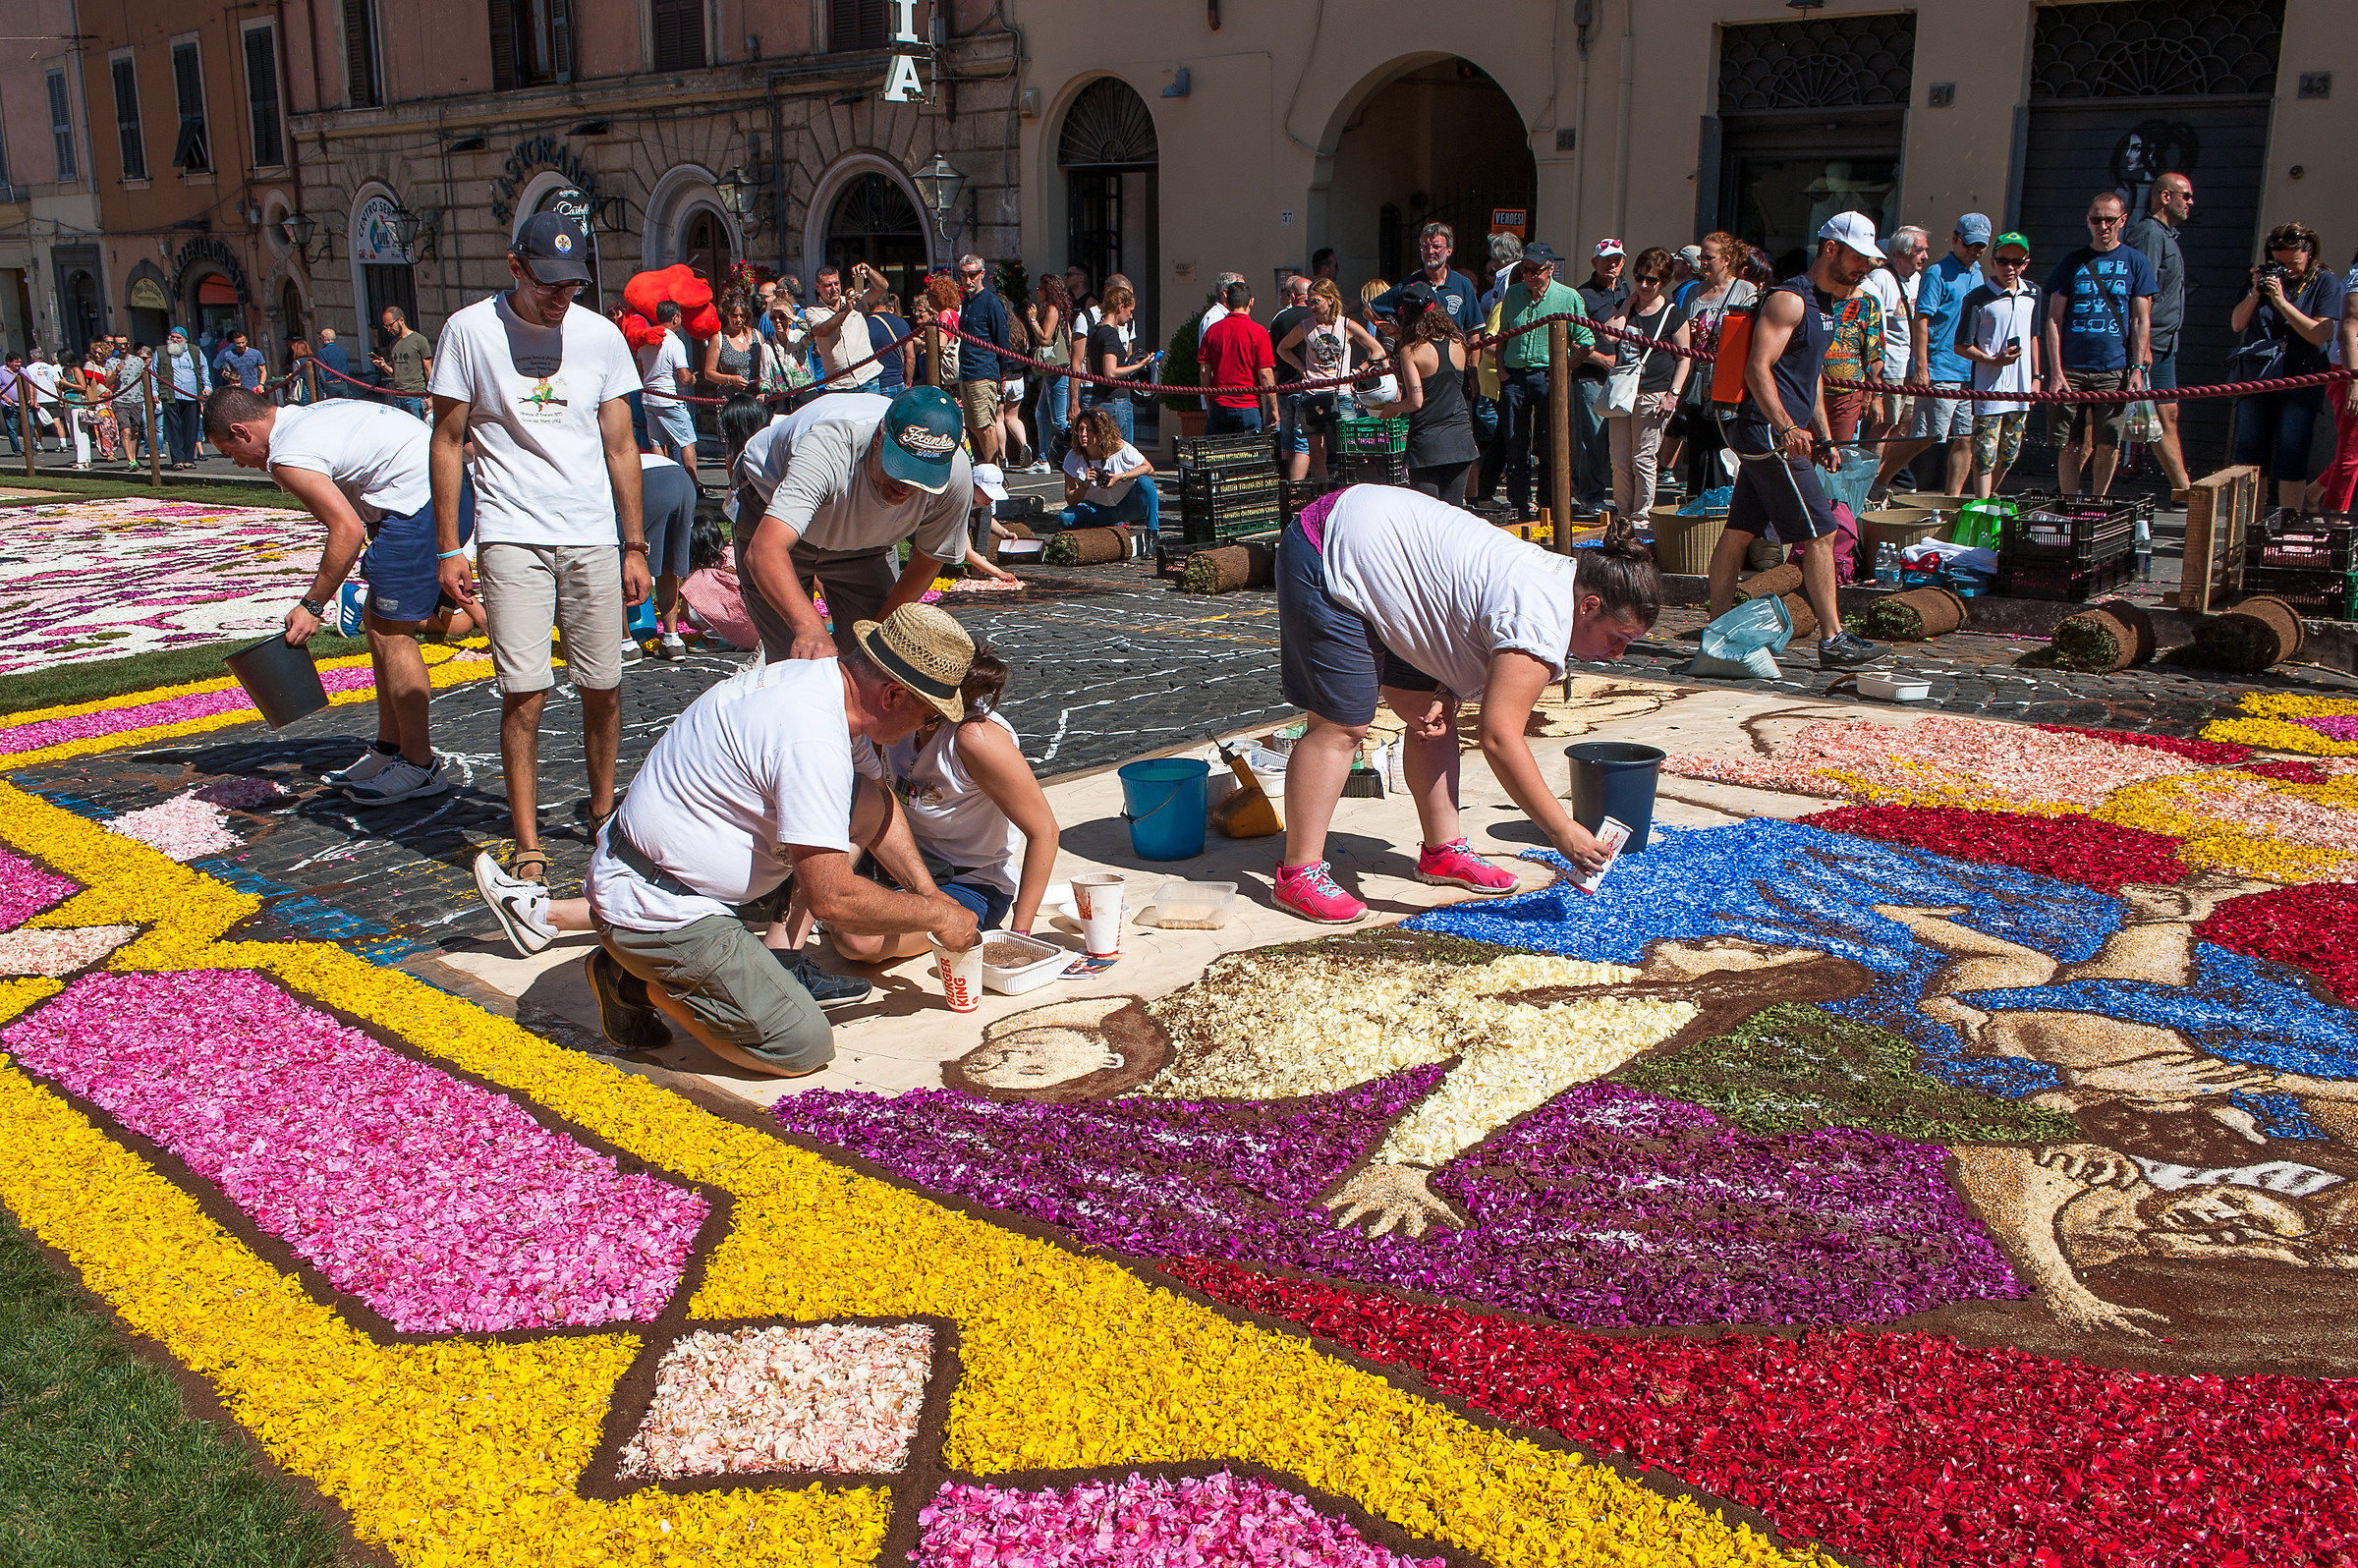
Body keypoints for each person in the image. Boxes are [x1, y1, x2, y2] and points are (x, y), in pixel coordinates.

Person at [482, 605, 986, 1069]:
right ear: (893, 694)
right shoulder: (811, 737)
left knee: (866, 798)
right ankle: (639, 980)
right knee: (800, 1044)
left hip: (655, 874)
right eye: (926, 715)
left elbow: (876, 802)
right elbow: (833, 899)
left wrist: (929, 892)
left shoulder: (823, 687)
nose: (924, 729)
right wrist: (940, 914)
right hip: (661, 908)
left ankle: (656, 966)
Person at [1270, 484, 1661, 924]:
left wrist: (1448, 689)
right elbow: (1498, 736)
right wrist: (1562, 830)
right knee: (1343, 725)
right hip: (1330, 547)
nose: (1618, 655)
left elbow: (1465, 617)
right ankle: (1297, 874)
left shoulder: (1562, 590)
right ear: (1589, 606)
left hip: (1391, 560)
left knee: (1432, 717)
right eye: (1618, 639)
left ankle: (1441, 851)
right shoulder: (1541, 617)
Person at [428, 212, 652, 886]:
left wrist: (634, 543)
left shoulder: (601, 335)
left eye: (573, 285)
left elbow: (621, 446)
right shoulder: (469, 331)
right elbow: (446, 440)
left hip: (590, 531)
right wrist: (449, 545)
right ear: (515, 267)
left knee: (604, 684)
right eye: (549, 284)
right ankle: (527, 839)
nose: (561, 298)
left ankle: (604, 809)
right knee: (524, 692)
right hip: (510, 531)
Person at [205, 386, 477, 804]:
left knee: (391, 632)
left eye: (231, 453)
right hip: (432, 493)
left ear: (242, 431)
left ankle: (420, 766)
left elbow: (346, 530)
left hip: (423, 502)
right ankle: (389, 748)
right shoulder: (304, 417)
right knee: (377, 619)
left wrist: (313, 604)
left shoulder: (285, 455)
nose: (239, 463)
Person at [1705, 212, 1887, 671]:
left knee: (1739, 531)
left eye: (1868, 261)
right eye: (1857, 258)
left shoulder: (1828, 306)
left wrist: (1824, 436)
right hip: (1769, 434)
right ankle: (1833, 640)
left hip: (1780, 434)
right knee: (1822, 532)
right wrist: (1787, 427)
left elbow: (1813, 380)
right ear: (1830, 248)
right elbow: (1756, 368)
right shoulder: (1789, 300)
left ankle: (1715, 628)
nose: (1862, 268)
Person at [819, 648, 1061, 958]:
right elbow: (874, 800)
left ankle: (825, 913)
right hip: (901, 866)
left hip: (967, 882)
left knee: (860, 941)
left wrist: (1019, 936)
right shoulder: (891, 719)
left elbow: (1045, 831)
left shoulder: (975, 740)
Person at [732, 385, 973, 661]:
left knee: (871, 664)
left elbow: (927, 560)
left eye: (920, 478)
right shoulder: (829, 445)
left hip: (867, 543)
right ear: (879, 437)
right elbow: (765, 550)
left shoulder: (955, 476)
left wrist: (874, 641)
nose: (905, 487)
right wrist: (810, 628)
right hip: (770, 508)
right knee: (792, 660)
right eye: (899, 468)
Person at [2043, 191, 2157, 500]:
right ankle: (2068, 502)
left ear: (2122, 220)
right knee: (2070, 442)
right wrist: (2055, 371)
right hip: (2072, 369)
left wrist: (2135, 368)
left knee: (2108, 442)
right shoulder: (2072, 262)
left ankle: (2097, 502)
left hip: (2115, 367)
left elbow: (2140, 319)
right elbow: (2053, 319)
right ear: (2088, 222)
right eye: (2096, 219)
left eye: (2109, 219)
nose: (2102, 226)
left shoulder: (2136, 261)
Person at [2229, 221, 2345, 513]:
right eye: (2279, 262)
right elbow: (2237, 324)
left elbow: (2320, 333)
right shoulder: (2263, 279)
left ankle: (2288, 525)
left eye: (2293, 262)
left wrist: (2281, 302)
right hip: (2258, 378)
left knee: (2292, 456)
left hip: (2302, 378)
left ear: (2308, 253)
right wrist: (2256, 293)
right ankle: (2249, 529)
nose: (2286, 269)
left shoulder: (2324, 282)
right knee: (2250, 457)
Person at [1878, 214, 1989, 497]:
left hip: (1968, 370)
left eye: (1980, 247)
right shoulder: (1937, 273)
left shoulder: (1977, 273)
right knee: (1925, 437)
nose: (1974, 251)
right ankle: (1878, 483)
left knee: (1964, 438)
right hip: (1940, 367)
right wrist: (1922, 367)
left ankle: (1951, 501)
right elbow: (1921, 320)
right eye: (1970, 244)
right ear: (1955, 239)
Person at [1488, 241, 1598, 523]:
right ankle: (1519, 506)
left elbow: (1586, 342)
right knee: (1515, 443)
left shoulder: (1567, 297)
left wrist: (1564, 369)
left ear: (1550, 270)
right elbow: (1503, 334)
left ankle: (1548, 505)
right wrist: (1501, 370)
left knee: (1550, 445)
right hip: (1515, 376)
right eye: (1525, 270)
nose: (1529, 276)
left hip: (1548, 377)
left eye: (1536, 270)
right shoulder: (1512, 295)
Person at [1600, 248, 1693, 523]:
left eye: (1651, 280)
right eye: (1639, 278)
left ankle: (1641, 516)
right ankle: (1623, 512)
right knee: (1619, 459)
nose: (1643, 285)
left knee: (1643, 458)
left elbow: (1685, 358)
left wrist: (1673, 394)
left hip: (1654, 392)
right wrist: (1628, 304)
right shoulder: (1628, 308)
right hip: (1623, 392)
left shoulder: (1673, 314)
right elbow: (1609, 336)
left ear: (1662, 282)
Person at [1664, 232, 1758, 498]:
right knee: (1698, 450)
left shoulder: (1745, 291)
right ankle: (1697, 506)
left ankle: (1724, 507)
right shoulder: (1693, 292)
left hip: (1728, 383)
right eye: (1701, 257)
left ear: (1726, 260)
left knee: (1724, 450)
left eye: (1708, 257)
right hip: (1696, 383)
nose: (1702, 262)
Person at [1955, 232, 2045, 498]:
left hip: (2020, 388)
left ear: (2026, 264)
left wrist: (2037, 377)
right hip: (1989, 387)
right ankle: (1982, 505)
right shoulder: (1978, 297)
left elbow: (2033, 336)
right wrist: (1993, 360)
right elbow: (1961, 344)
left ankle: (1991, 498)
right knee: (1985, 450)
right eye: (2004, 261)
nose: (2010, 268)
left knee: (2010, 451)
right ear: (1993, 262)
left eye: (2017, 262)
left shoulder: (2033, 294)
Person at [2121, 172, 2195, 494]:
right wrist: (2142, 347)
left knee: (2168, 415)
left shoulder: (2166, 236)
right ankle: (2070, 488)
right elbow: (2139, 294)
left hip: (2165, 343)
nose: (2191, 202)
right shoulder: (2149, 234)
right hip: (2149, 345)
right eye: (2186, 196)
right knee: (2113, 419)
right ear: (2166, 197)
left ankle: (2183, 491)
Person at [1276, 279, 1386, 483]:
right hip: (1312, 395)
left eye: (1315, 301)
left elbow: (1378, 350)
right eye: (1309, 302)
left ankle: (1350, 492)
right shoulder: (1306, 326)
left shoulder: (1346, 325)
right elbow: (1283, 349)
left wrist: (1357, 371)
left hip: (1342, 394)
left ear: (1330, 300)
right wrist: (1301, 368)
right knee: (1317, 455)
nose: (1311, 307)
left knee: (1350, 451)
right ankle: (1323, 496)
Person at [1391, 281, 1478, 507]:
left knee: (1429, 516)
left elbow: (1415, 401)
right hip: (1460, 439)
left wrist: (1391, 409)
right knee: (1454, 513)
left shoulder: (1410, 351)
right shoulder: (1459, 342)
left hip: (1428, 444)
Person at [1859, 227, 1928, 503]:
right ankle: (1866, 485)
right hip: (1890, 369)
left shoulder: (1918, 280)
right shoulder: (1882, 280)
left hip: (1911, 370)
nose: (1924, 255)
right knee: (1882, 428)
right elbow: (1877, 330)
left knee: (1907, 426)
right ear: (1900, 253)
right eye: (1918, 250)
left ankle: (1883, 481)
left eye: (1925, 250)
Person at [1571, 239, 1630, 512]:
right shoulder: (1582, 295)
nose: (1612, 264)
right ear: (1594, 263)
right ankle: (1590, 496)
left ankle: (1615, 497)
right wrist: (1602, 359)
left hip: (1623, 377)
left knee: (1616, 440)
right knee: (1592, 439)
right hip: (1590, 376)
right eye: (1607, 259)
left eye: (1617, 259)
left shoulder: (1627, 291)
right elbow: (1572, 340)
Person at [1069, 281, 1156, 445]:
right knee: (1121, 454)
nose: (1131, 316)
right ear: (1120, 307)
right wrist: (1140, 365)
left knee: (1102, 451)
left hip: (1098, 397)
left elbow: (1089, 366)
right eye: (1130, 311)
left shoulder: (1095, 331)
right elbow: (1111, 372)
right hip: (1115, 402)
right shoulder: (1110, 334)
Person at [1060, 407, 1159, 550]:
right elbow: (1071, 499)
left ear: (1100, 432)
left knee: (1145, 482)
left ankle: (1153, 536)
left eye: (1089, 430)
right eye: (1080, 429)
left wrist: (1120, 477)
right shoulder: (1073, 456)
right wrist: (1085, 485)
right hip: (1097, 509)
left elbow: (1148, 468)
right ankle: (1105, 529)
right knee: (1065, 518)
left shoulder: (1119, 447)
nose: (1083, 434)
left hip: (1126, 506)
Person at [954, 254, 1016, 465]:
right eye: (963, 276)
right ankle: (984, 468)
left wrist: (1003, 375)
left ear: (982, 275)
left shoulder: (991, 302)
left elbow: (1002, 339)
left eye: (972, 275)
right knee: (972, 425)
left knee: (985, 425)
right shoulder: (967, 302)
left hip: (984, 371)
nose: (967, 280)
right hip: (967, 371)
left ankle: (994, 471)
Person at [640, 447, 699, 658]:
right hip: (682, 481)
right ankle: (672, 639)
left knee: (621, 557)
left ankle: (624, 642)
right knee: (669, 563)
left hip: (648, 481)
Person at [1198, 279, 1276, 435]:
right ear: (1251, 301)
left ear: (1227, 301)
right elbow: (1265, 373)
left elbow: (1204, 370)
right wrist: (1274, 408)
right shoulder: (1259, 332)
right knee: (1247, 457)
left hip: (1219, 404)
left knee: (1217, 456)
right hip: (1249, 405)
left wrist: (1208, 399)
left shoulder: (1213, 331)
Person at [1374, 222, 1480, 334]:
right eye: (1425, 246)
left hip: (1453, 349)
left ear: (1449, 250)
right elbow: (1369, 310)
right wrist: (1398, 333)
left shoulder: (1463, 284)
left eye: (1436, 246)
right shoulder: (1410, 285)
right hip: (1419, 350)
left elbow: (1473, 332)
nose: (1430, 251)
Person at [637, 300, 700, 480]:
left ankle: (662, 480)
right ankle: (693, 482)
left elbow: (640, 366)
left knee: (656, 441)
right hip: (669, 399)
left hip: (649, 398)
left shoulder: (647, 340)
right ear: (675, 318)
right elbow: (684, 376)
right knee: (687, 440)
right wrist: (692, 379)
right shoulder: (675, 343)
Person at [807, 262, 887, 395]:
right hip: (839, 385)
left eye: (836, 283)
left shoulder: (856, 300)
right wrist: (846, 311)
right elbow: (823, 331)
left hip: (868, 378)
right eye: (828, 285)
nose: (834, 289)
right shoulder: (812, 312)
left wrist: (868, 272)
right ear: (818, 287)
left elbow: (882, 287)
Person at [1268, 273, 1317, 481]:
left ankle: (1285, 486)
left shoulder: (1279, 319)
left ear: (1292, 295)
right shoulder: (1315, 318)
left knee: (1286, 440)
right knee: (1302, 442)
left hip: (1284, 387)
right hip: (1306, 387)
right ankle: (1295, 490)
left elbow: (1273, 357)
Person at [1027, 273, 1072, 471]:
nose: (1037, 291)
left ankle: (1077, 453)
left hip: (1057, 370)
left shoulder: (1053, 310)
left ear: (1048, 290)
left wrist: (1033, 321)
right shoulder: (1059, 309)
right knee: (1041, 413)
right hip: (1054, 371)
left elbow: (1045, 339)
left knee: (1059, 420)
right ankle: (1043, 458)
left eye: (1040, 288)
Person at [2321, 286, 2358, 522]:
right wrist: (2354, 381)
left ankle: (2313, 493)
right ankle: (2336, 523)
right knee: (2350, 453)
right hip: (2350, 374)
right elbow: (2346, 331)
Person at [158, 328, 210, 468]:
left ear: (185, 339)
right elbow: (153, 373)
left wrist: (207, 386)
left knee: (191, 428)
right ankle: (177, 460)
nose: (174, 340)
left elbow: (204, 369)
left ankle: (189, 459)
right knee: (173, 429)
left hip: (191, 395)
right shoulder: (161, 352)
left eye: (178, 338)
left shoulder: (195, 351)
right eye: (172, 337)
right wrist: (153, 392)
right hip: (170, 396)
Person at [702, 291, 764, 405]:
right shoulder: (719, 339)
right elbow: (709, 373)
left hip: (755, 398)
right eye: (734, 316)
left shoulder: (757, 336)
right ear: (727, 315)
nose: (739, 319)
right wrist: (731, 379)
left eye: (742, 316)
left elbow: (766, 365)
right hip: (730, 399)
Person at [374, 307, 431, 418]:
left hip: (415, 397)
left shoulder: (419, 340)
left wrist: (431, 396)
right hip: (398, 396)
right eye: (386, 326)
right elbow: (395, 374)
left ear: (401, 320)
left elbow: (428, 369)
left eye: (390, 325)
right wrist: (383, 365)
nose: (388, 329)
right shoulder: (393, 344)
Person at [868, 287, 915, 396]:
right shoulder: (902, 323)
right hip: (899, 383)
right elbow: (910, 356)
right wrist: (907, 383)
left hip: (879, 385)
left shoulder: (867, 325)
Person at [212, 328, 266, 393]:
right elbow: (225, 372)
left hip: (253, 390)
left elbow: (263, 371)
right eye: (238, 343)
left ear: (246, 341)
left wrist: (261, 385)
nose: (241, 345)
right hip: (236, 391)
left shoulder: (255, 353)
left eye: (243, 342)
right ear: (234, 342)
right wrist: (226, 375)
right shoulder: (228, 355)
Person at [314, 326, 352, 399]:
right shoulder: (342, 351)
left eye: (321, 338)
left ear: (324, 338)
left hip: (330, 386)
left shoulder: (322, 353)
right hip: (343, 384)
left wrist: (322, 386)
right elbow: (346, 368)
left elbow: (321, 371)